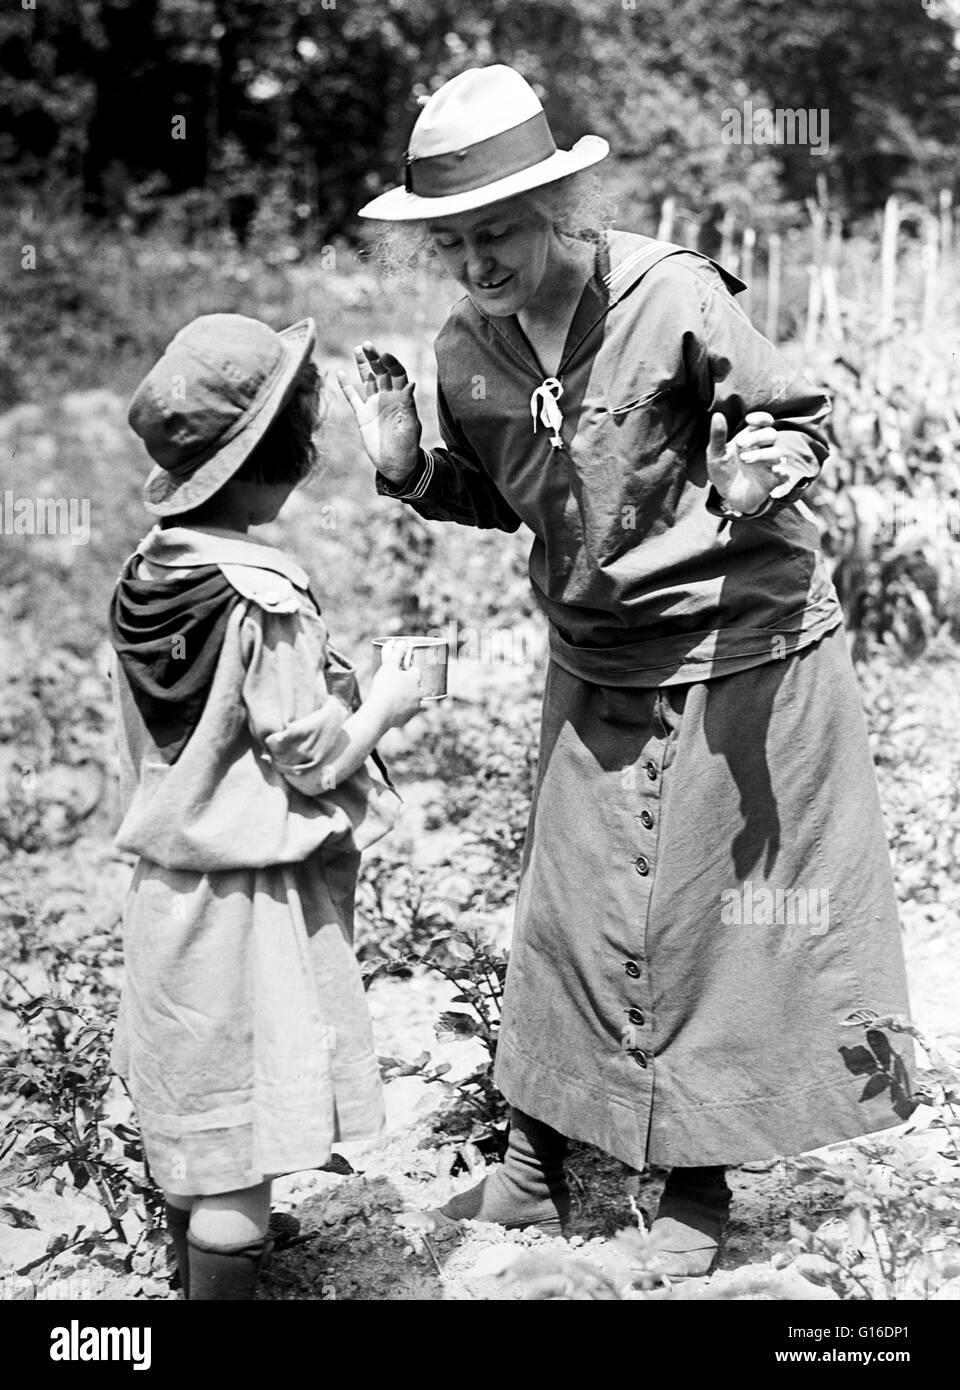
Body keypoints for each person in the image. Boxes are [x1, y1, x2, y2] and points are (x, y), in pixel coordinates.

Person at [339, 65, 915, 1277]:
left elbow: (794, 418)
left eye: (494, 231)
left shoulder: (673, 297)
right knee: (568, 904)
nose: (476, 259)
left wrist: (763, 466)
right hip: (596, 652)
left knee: (706, 915)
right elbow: (505, 496)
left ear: (558, 209)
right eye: (452, 241)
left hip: (733, 642)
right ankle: (537, 1165)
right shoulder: (469, 346)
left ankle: (698, 1186)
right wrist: (408, 470)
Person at [109, 313, 425, 1299]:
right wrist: (385, 700)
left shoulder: (147, 572)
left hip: (167, 893)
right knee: (244, 1140)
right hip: (251, 904)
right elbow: (312, 752)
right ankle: (225, 1264)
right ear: (277, 462)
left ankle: (190, 1254)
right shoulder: (265, 596)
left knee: (198, 1091)